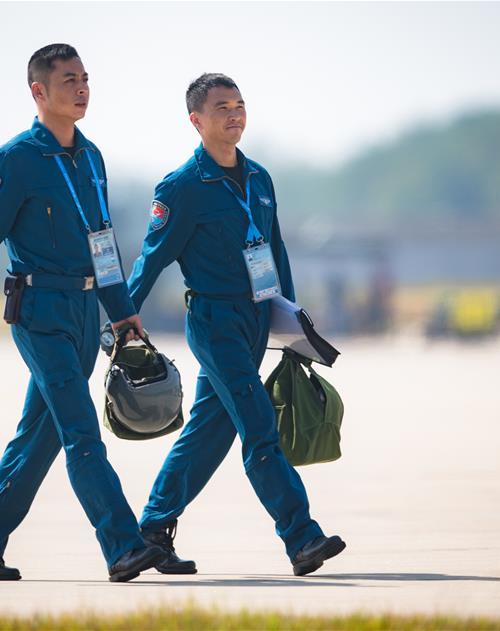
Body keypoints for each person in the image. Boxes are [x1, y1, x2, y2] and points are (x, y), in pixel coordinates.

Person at [0, 43, 164, 583]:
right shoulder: (13, 162)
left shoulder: (92, 157)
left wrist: (122, 312)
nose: (81, 88)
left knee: (42, 433)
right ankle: (122, 544)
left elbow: (104, 242)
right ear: (39, 91)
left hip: (83, 312)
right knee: (80, 430)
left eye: (85, 78)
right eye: (69, 79)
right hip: (39, 311)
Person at [126, 73, 345, 577]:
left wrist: (289, 317)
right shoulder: (181, 188)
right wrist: (123, 315)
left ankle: (153, 530)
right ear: (196, 121)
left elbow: (276, 247)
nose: (234, 114)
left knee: (209, 429)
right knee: (259, 426)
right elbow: (152, 258)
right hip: (214, 320)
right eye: (222, 107)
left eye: (240, 105)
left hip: (256, 315)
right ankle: (301, 535)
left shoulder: (261, 179)